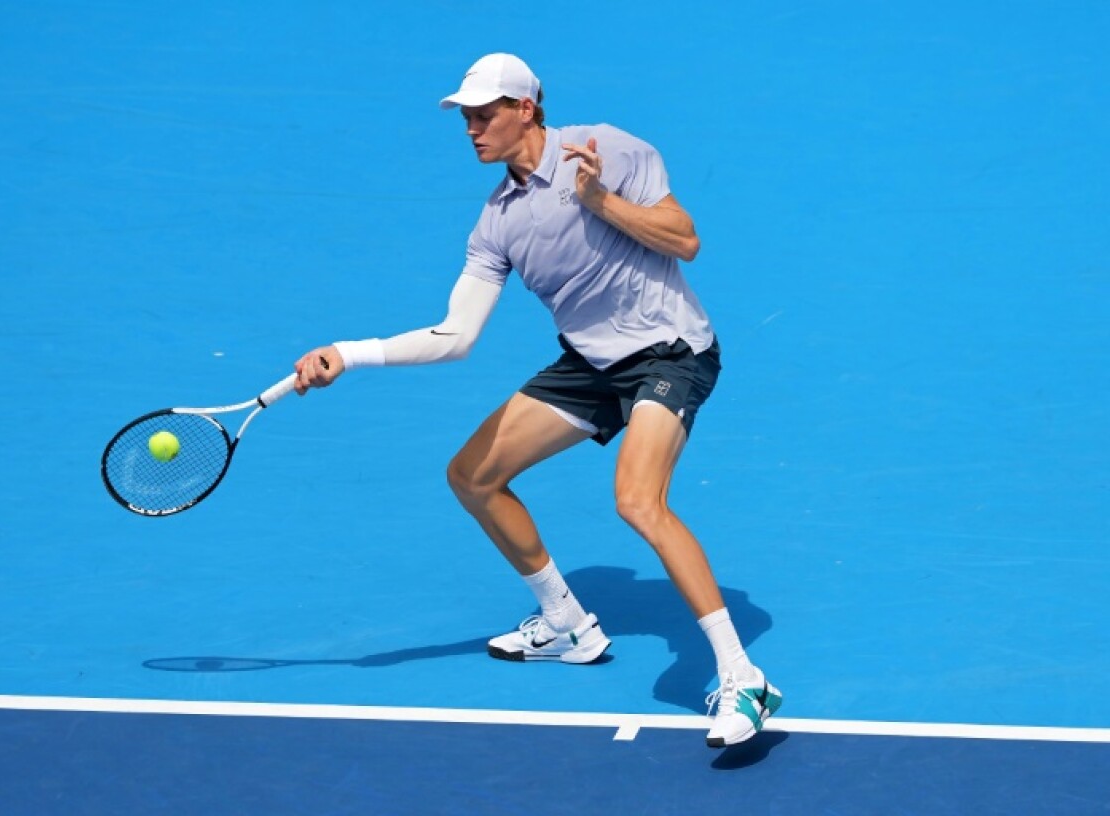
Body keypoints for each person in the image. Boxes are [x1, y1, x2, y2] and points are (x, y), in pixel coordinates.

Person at [291, 53, 781, 748]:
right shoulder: (497, 221)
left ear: (526, 109)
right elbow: (455, 335)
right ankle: (567, 624)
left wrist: (600, 201)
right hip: (591, 361)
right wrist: (352, 352)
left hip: (670, 351)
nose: (471, 129)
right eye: (465, 117)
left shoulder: (607, 148)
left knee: (638, 499)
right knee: (472, 475)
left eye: (484, 114)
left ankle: (742, 675)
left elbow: (686, 240)